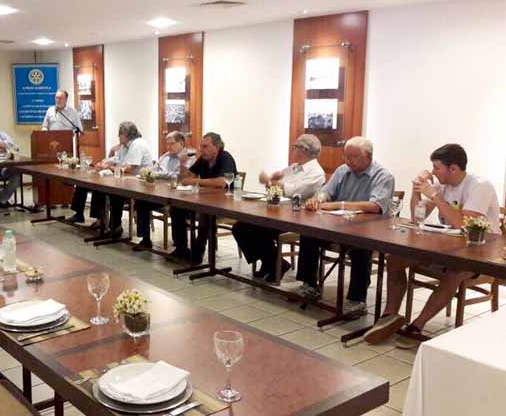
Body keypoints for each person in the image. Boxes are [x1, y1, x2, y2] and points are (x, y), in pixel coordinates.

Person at [364, 144, 501, 348]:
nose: (433, 172)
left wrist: (436, 196)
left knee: (454, 271)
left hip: (481, 253)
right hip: (447, 247)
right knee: (395, 259)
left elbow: (464, 225)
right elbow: (417, 217)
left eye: (437, 167)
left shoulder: (480, 186)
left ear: (453, 168)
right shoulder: (442, 185)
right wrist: (417, 191)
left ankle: (417, 326)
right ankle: (389, 316)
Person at [296, 136, 395, 318]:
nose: (348, 161)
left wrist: (339, 204)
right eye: (346, 156)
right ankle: (309, 285)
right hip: (337, 226)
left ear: (368, 156)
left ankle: (357, 300)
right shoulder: (342, 170)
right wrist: (318, 199)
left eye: (354, 157)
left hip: (367, 230)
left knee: (361, 246)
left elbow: (375, 206)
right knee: (309, 233)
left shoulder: (383, 176)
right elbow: (326, 191)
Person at [231, 134, 326, 283]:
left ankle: (273, 264)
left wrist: (272, 182)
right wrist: (270, 181)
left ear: (304, 149)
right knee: (240, 227)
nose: (293, 150)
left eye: (295, 147)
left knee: (259, 230)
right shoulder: (293, 167)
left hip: (297, 218)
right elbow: (275, 186)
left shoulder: (316, 173)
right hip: (278, 212)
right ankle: (273, 263)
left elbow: (293, 191)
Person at [65, 122, 153, 236]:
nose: (118, 137)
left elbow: (130, 168)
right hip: (125, 179)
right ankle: (89, 217)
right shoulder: (125, 145)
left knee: (113, 192)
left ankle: (115, 226)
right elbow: (117, 158)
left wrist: (110, 168)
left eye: (119, 134)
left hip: (138, 183)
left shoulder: (137, 144)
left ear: (126, 134)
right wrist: (104, 162)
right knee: (93, 184)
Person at [168, 133, 237, 264]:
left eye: (205, 146)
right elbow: (187, 177)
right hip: (204, 199)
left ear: (216, 147)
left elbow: (222, 182)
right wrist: (182, 165)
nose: (201, 150)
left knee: (205, 213)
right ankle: (181, 248)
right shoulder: (204, 159)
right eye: (201, 147)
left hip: (224, 204)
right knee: (176, 207)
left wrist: (197, 181)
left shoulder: (225, 158)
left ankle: (198, 252)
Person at [133, 131, 195, 249]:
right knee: (142, 201)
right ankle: (145, 239)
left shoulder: (189, 157)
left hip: (180, 195)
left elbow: (178, 176)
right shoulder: (165, 156)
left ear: (181, 143)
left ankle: (180, 247)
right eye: (167, 144)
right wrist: (148, 173)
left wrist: (160, 175)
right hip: (161, 193)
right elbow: (153, 170)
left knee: (177, 209)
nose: (168, 146)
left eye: (171, 143)